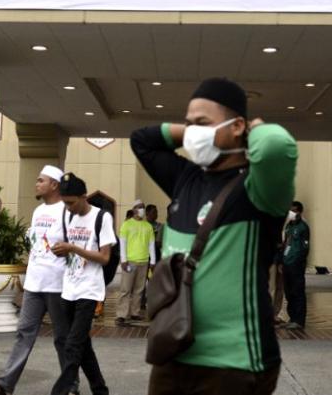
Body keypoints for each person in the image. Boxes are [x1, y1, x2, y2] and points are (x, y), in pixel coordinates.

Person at [131, 77, 298, 395]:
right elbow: (142, 140)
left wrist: (255, 127)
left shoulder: (258, 188)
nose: (193, 133)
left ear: (237, 127)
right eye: (188, 124)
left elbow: (277, 146)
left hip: (233, 364)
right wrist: (197, 131)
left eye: (202, 123)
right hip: (172, 353)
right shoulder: (186, 178)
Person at [0, 165, 78, 395]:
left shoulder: (67, 211)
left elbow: (77, 247)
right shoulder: (38, 211)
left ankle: (71, 386)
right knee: (24, 333)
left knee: (62, 338)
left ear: (54, 184)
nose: (36, 184)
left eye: (40, 180)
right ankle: (5, 385)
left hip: (57, 285)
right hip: (35, 284)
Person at [49, 173, 114, 395]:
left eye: (70, 202)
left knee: (72, 344)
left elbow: (105, 257)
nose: (67, 208)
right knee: (82, 345)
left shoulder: (102, 217)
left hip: (89, 289)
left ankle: (60, 390)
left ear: (84, 197)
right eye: (64, 202)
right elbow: (71, 253)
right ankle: (100, 390)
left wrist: (73, 248)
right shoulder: (69, 217)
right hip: (69, 287)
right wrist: (61, 252)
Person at [116, 199, 156, 326]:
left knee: (139, 290)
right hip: (130, 262)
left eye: (143, 207)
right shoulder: (126, 225)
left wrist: (153, 261)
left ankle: (135, 312)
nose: (142, 209)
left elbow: (151, 244)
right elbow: (122, 243)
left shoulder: (148, 226)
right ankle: (122, 315)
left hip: (144, 262)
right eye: (139, 207)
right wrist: (123, 260)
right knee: (126, 289)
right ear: (133, 209)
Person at [279, 201, 309, 330]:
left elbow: (305, 247)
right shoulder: (288, 227)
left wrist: (299, 260)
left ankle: (299, 320)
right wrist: (281, 260)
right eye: (290, 211)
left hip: (296, 264)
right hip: (286, 262)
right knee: (289, 292)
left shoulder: (303, 227)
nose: (292, 213)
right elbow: (285, 243)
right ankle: (292, 318)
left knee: (298, 291)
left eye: (295, 211)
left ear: (300, 212)